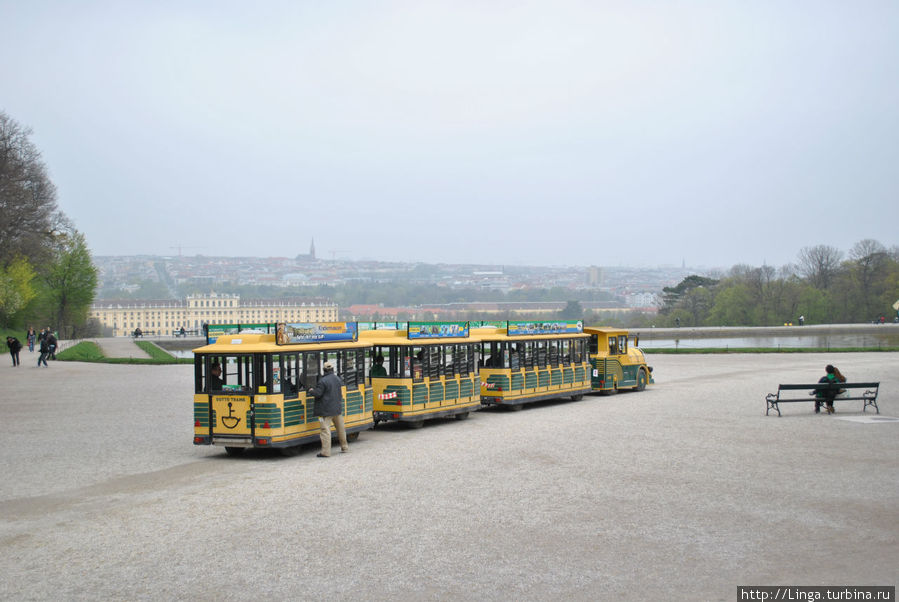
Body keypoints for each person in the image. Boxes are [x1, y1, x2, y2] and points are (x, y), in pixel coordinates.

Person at [308, 362, 348, 457]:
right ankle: (344, 447)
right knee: (341, 429)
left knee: (325, 430)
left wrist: (311, 390)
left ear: (324, 370)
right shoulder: (337, 379)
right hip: (337, 409)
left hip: (326, 411)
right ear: (332, 369)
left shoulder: (323, 381)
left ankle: (326, 452)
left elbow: (318, 394)